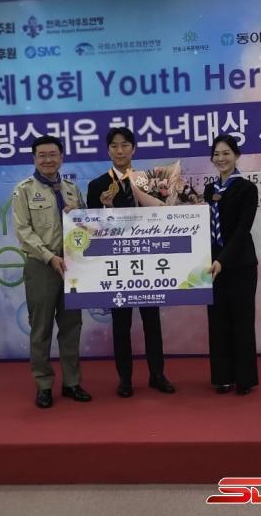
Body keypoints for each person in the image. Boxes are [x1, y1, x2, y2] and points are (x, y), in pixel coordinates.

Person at [87, 127, 175, 398]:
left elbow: (163, 218)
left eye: (125, 145)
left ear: (134, 149)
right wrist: (106, 208)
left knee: (152, 322)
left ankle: (157, 375)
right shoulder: (97, 186)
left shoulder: (151, 182)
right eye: (114, 146)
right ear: (108, 150)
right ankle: (125, 379)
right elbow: (90, 229)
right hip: (116, 266)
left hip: (147, 262)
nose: (120, 150)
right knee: (121, 325)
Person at [12, 135, 92, 408]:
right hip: (42, 266)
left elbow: (86, 226)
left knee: (72, 326)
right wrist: (49, 258)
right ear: (34, 158)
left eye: (53, 154)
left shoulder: (71, 189)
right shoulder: (23, 190)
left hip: (71, 266)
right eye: (42, 155)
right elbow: (23, 232)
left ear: (61, 157)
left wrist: (79, 214)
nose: (48, 160)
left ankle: (72, 383)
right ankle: (44, 385)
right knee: (41, 328)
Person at [204, 134, 259, 395]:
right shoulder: (209, 190)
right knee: (217, 321)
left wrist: (222, 260)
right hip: (211, 268)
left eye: (226, 153)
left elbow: (242, 230)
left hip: (240, 265)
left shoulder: (247, 189)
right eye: (216, 154)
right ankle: (223, 377)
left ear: (236, 156)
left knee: (242, 321)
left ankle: (245, 378)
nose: (221, 158)